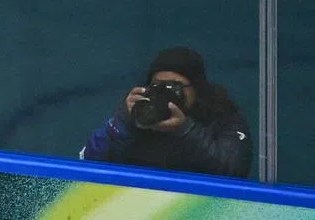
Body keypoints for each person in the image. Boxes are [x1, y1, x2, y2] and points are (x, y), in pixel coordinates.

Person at [80, 46, 252, 178]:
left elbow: (234, 170)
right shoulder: (141, 114)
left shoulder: (222, 116)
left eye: (174, 86)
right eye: (157, 85)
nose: (164, 93)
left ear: (196, 88)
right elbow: (89, 162)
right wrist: (123, 122)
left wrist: (185, 130)